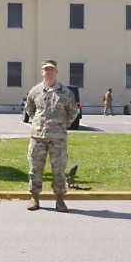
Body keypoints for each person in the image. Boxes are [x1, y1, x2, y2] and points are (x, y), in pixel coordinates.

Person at [25, 59, 78, 212]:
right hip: (38, 137)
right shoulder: (35, 91)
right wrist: (38, 124)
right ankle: (34, 198)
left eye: (51, 70)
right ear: (42, 72)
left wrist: (62, 126)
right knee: (35, 168)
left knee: (59, 169)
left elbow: (72, 113)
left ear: (56, 72)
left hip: (58, 139)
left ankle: (60, 200)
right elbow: (30, 110)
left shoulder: (66, 92)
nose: (49, 72)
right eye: (46, 69)